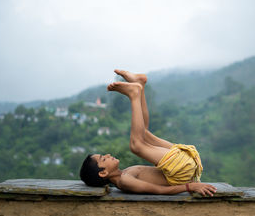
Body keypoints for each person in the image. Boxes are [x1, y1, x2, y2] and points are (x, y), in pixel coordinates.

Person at [80, 69, 217, 196]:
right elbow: (160, 190)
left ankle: (139, 85)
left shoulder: (125, 173)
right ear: (103, 172)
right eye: (103, 158)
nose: (108, 155)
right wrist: (190, 187)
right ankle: (134, 94)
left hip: (182, 164)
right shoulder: (124, 182)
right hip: (180, 171)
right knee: (136, 146)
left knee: (143, 133)